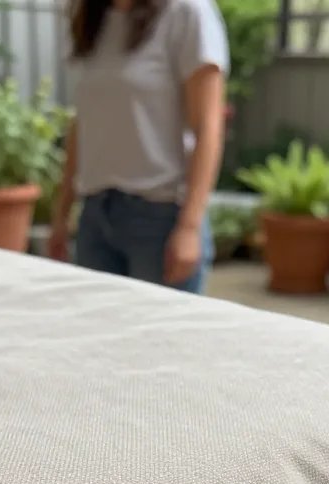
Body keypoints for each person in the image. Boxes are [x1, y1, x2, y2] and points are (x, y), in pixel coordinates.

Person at [49, 0, 229, 294]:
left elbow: (208, 127)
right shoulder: (93, 19)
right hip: (96, 217)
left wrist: (189, 227)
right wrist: (62, 213)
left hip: (160, 220)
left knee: (162, 337)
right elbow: (83, 124)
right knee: (100, 335)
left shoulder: (187, 13)